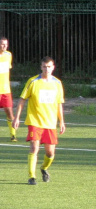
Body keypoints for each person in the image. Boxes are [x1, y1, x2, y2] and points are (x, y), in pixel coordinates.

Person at [12, 56, 65, 185]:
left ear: (53, 68)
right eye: (44, 67)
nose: (47, 69)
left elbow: (59, 104)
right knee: (34, 147)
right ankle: (32, 177)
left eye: (49, 67)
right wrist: (17, 118)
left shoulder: (57, 83)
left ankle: (44, 168)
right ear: (41, 67)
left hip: (50, 123)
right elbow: (22, 100)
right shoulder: (33, 82)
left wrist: (62, 121)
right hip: (35, 121)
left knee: (50, 153)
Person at [0, 37, 16, 142]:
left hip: (6, 89)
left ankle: (13, 135)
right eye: (2, 44)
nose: (4, 46)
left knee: (9, 112)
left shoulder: (8, 55)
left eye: (6, 44)